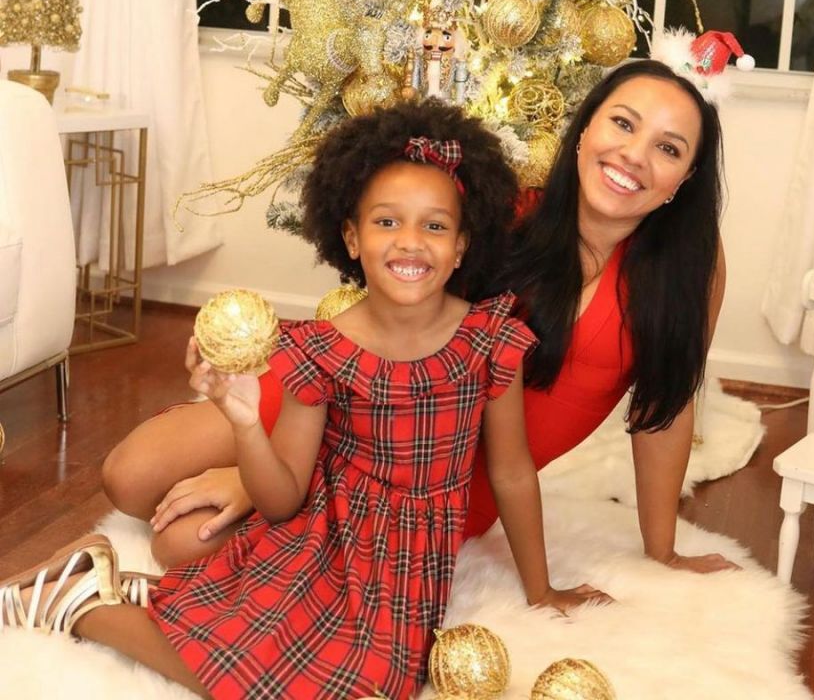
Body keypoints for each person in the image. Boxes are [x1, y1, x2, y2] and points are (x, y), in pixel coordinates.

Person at [0, 101, 605, 699]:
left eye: (435, 225)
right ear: (350, 235)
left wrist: (541, 590)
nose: (410, 243)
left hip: (411, 563)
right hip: (323, 539)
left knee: (374, 680)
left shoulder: (490, 339)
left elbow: (512, 472)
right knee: (284, 675)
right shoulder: (320, 351)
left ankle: (108, 585)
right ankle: (79, 605)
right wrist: (244, 424)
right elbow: (283, 497)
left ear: (464, 243)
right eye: (386, 222)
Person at [103, 45, 737, 575]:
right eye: (623, 124)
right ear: (585, 130)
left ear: (685, 179)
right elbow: (390, 342)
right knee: (128, 478)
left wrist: (665, 553)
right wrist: (270, 469)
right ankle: (259, 456)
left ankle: (269, 482)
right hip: (351, 407)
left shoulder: (689, 275)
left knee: (179, 543)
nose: (634, 156)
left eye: (669, 148)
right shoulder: (504, 215)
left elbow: (665, 409)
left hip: (433, 478)